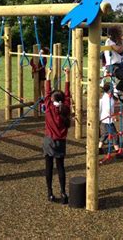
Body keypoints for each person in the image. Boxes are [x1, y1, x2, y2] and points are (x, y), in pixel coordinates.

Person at [43, 67, 71, 204]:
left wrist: (48, 76)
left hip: (49, 141)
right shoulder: (65, 109)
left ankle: (50, 193)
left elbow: (47, 93)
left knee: (48, 167)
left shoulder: (49, 108)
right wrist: (67, 76)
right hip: (61, 141)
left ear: (52, 99)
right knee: (60, 167)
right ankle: (63, 192)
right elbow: (67, 96)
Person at [99, 82, 123, 155]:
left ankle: (99, 148)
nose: (113, 89)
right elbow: (108, 109)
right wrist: (114, 116)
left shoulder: (109, 96)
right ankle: (118, 152)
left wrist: (122, 98)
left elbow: (115, 99)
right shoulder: (106, 99)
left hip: (105, 119)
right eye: (112, 88)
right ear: (109, 90)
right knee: (115, 135)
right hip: (107, 120)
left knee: (105, 134)